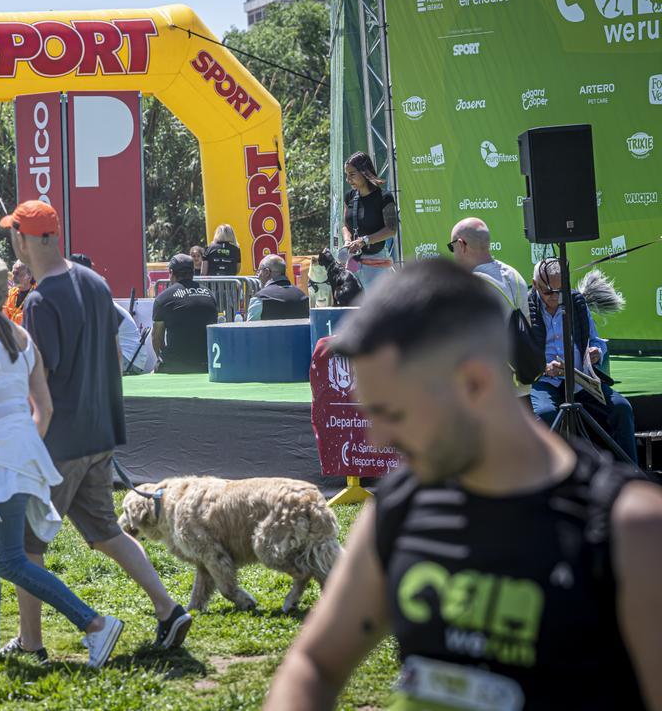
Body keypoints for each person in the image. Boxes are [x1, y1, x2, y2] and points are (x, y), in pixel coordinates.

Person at [263, 259, 662, 711]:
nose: (379, 438)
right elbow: (313, 664)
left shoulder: (632, 530)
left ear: (475, 382)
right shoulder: (399, 508)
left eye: (394, 413)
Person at [0, 200, 192, 659]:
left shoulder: (41, 301)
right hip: (99, 432)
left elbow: (40, 377)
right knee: (106, 532)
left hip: (58, 443)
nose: (13, 240)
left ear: (26, 240)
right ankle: (168, 610)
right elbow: (109, 350)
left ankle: (31, 644)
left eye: (14, 233)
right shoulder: (95, 281)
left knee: (26, 549)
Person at [0, 251, 124, 668]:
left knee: (9, 559)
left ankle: (95, 623)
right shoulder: (22, 336)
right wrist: (24, 446)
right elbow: (42, 407)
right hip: (16, 454)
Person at [527, 258, 637, 464]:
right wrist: (544, 368)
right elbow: (517, 356)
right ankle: (560, 478)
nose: (555, 297)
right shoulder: (525, 307)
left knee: (622, 408)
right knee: (546, 413)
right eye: (548, 291)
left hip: (581, 380)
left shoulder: (576, 302)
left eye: (561, 291)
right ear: (535, 285)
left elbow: (596, 340)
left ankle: (631, 474)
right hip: (544, 380)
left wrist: (597, 351)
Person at [449, 217, 532, 396]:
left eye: (452, 246)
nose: (453, 253)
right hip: (522, 381)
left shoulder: (469, 286)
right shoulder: (515, 275)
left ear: (462, 244)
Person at [152, 253, 218, 373]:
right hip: (206, 364)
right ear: (193, 272)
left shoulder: (163, 298)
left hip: (174, 365)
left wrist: (162, 358)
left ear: (171, 272)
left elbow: (156, 337)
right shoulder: (209, 294)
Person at [341, 151, 398, 290]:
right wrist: (348, 241)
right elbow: (345, 226)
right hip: (353, 263)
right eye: (346, 175)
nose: (348, 180)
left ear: (364, 172)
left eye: (352, 174)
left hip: (377, 262)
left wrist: (364, 240)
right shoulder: (349, 196)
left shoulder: (384, 197)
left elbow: (391, 229)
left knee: (378, 308)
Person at [246, 254, 309, 321]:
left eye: (259, 271)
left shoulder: (260, 298)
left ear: (267, 272)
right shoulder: (303, 296)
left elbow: (249, 330)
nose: (258, 276)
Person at [2, 259, 35, 325]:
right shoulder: (9, 294)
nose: (14, 277)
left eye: (18, 274)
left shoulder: (38, 295)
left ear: (30, 276)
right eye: (13, 273)